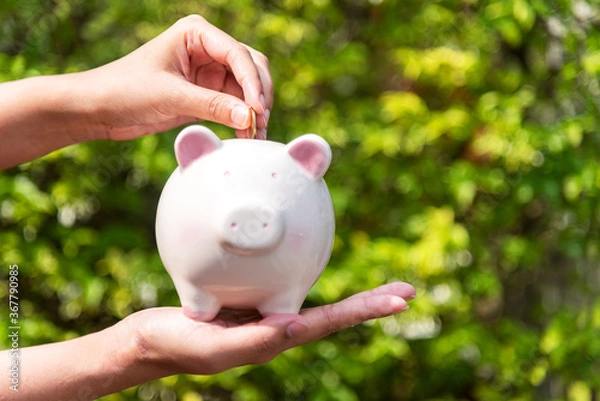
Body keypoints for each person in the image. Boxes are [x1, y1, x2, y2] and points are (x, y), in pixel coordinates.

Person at [0, 15, 416, 400]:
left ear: (312, 161)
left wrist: (93, 102)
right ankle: (203, 296)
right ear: (193, 153)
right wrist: (133, 349)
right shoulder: (199, 162)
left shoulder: (300, 173)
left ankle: (279, 297)